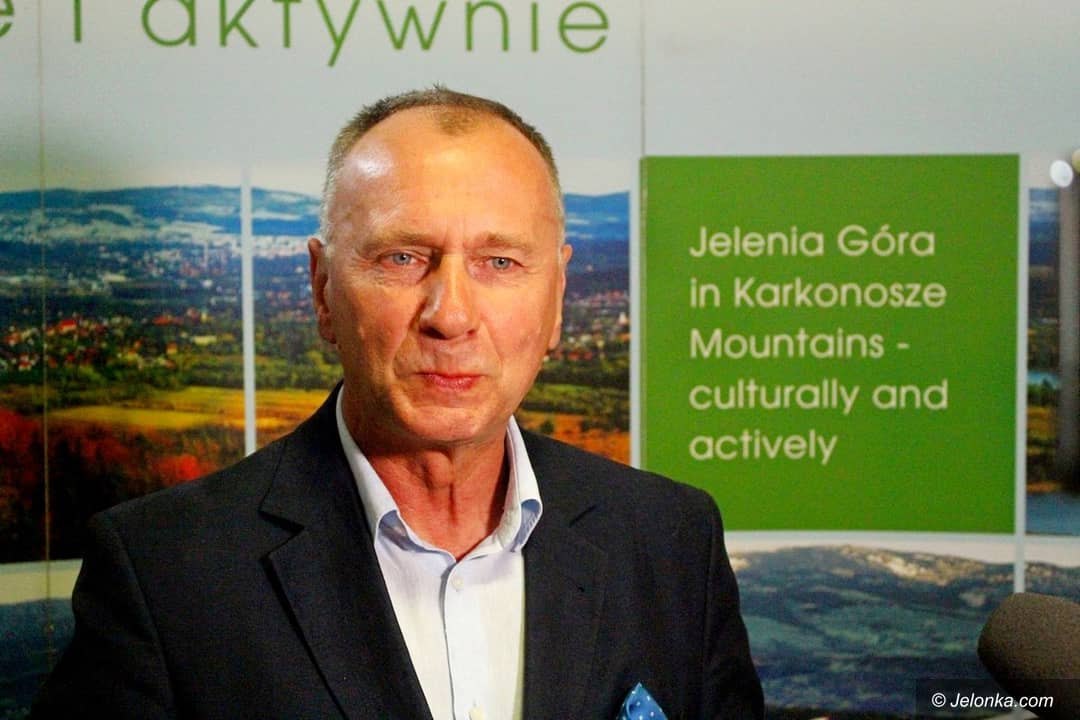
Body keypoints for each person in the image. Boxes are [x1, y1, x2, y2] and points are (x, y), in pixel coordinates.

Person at [33, 88, 763, 719]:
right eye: (403, 258)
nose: (451, 315)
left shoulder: (671, 542)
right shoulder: (165, 572)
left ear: (557, 297)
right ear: (323, 289)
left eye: (500, 261)